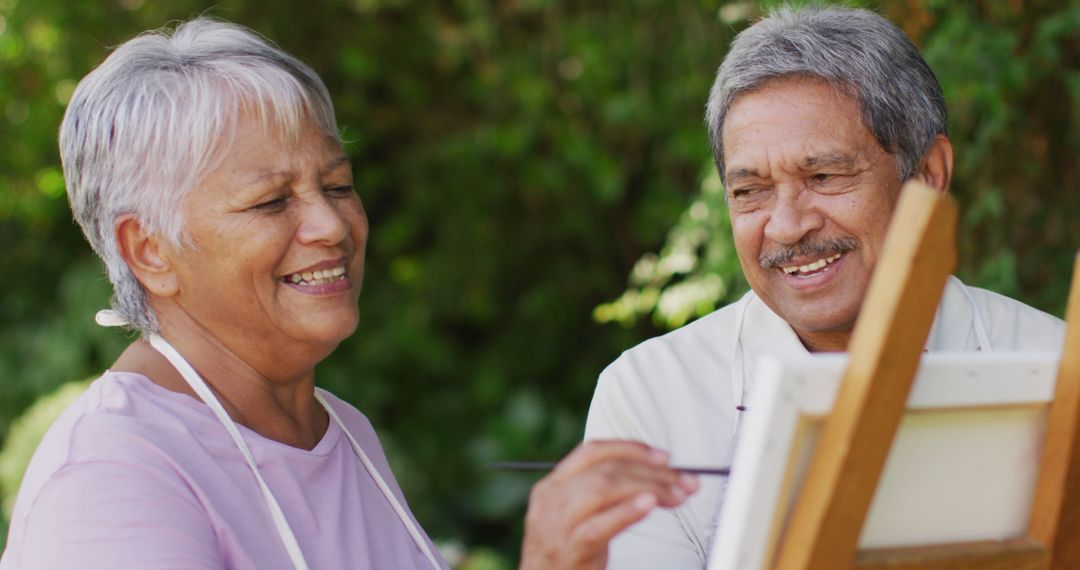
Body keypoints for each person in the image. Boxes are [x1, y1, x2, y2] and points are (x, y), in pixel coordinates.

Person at [0, 18, 698, 569]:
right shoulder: (111, 477)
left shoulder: (343, 432)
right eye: (273, 201)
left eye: (336, 185)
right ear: (149, 251)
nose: (333, 224)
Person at [584, 5, 1067, 569]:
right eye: (750, 191)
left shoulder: (1056, 371)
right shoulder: (651, 400)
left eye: (824, 177)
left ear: (929, 174)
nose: (787, 225)